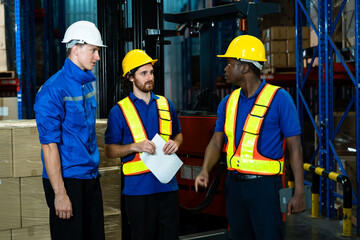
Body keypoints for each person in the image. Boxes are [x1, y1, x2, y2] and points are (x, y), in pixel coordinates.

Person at [194, 35, 306, 240]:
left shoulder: (280, 99)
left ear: (244, 67)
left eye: (229, 63)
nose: (225, 68)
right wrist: (204, 170)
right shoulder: (227, 102)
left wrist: (299, 192)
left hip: (266, 189)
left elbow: (295, 148)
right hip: (234, 187)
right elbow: (217, 141)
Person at [34, 21, 106, 240]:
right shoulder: (53, 90)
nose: (98, 57)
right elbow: (49, 146)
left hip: (88, 178)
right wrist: (60, 194)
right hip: (67, 181)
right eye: (94, 50)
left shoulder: (86, 84)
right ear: (76, 49)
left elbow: (87, 137)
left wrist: (94, 182)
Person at [104, 49, 183, 240]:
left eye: (151, 72)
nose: (150, 77)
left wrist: (176, 143)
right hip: (138, 191)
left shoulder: (166, 104)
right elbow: (109, 151)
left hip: (168, 188)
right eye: (143, 73)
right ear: (130, 77)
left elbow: (178, 134)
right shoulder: (119, 111)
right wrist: (134, 147)